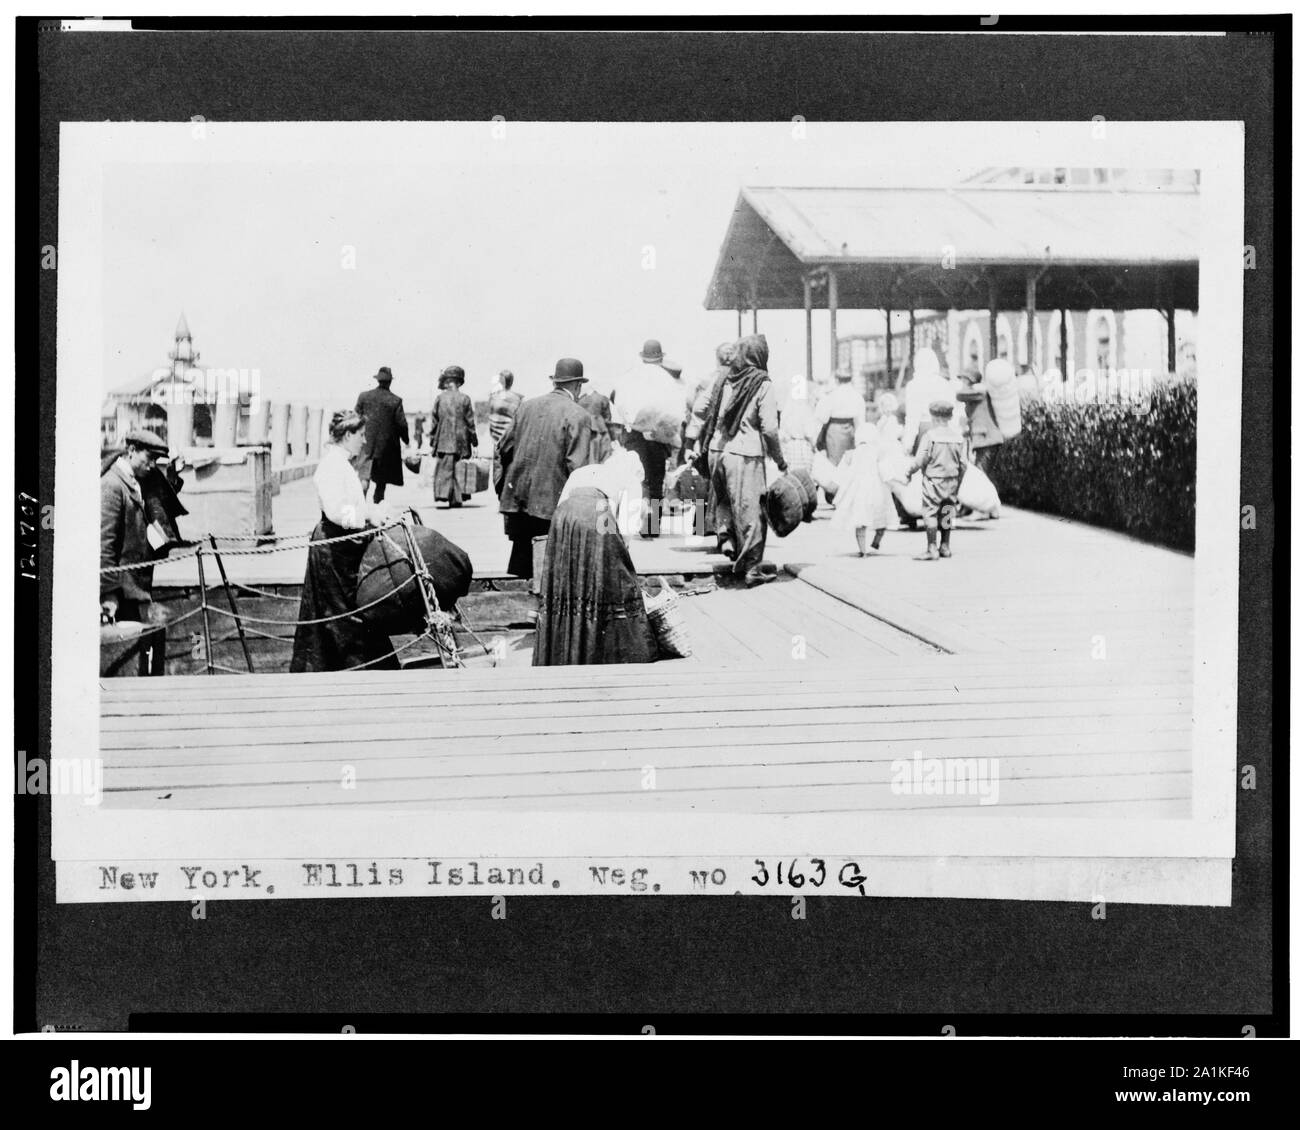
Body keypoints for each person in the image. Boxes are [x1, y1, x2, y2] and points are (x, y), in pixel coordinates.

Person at [290, 411, 399, 672]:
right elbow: (337, 511)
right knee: (340, 614)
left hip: (342, 548)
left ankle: (346, 667)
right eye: (361, 435)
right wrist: (369, 516)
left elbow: (350, 505)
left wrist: (372, 510)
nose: (364, 441)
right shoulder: (331, 466)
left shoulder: (341, 464)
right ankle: (357, 668)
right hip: (332, 549)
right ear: (348, 435)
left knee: (340, 613)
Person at [533, 461, 657, 666]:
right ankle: (601, 645)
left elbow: (561, 503)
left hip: (563, 517)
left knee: (568, 583)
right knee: (615, 578)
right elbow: (626, 532)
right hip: (596, 514)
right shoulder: (632, 481)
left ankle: (565, 643)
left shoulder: (585, 471)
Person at [495, 357, 598, 579]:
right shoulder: (578, 414)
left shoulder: (526, 407)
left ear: (555, 382)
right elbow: (578, 468)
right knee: (552, 574)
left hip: (519, 501)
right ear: (578, 385)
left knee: (522, 569)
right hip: (551, 506)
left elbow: (503, 447)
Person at [697, 333, 786, 586]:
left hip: (716, 449)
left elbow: (699, 408)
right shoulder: (762, 383)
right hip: (744, 453)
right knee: (752, 509)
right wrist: (780, 460)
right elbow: (769, 428)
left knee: (724, 499)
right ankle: (752, 567)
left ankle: (726, 540)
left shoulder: (723, 378)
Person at [609, 339, 691, 538]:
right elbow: (679, 406)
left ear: (642, 357)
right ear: (661, 357)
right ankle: (652, 526)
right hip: (659, 436)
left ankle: (637, 520)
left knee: (639, 480)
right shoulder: (668, 378)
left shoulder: (631, 375)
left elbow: (614, 398)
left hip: (635, 435)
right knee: (656, 480)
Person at [100, 429, 171, 625]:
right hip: (122, 593)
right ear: (131, 450)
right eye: (149, 458)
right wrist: (107, 593)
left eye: (156, 460)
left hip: (136, 587)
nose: (152, 465)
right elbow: (104, 544)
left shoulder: (136, 482)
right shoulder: (112, 485)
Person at [904, 400, 970, 561]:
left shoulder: (930, 437)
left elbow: (920, 460)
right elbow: (964, 464)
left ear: (933, 417)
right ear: (950, 417)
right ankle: (945, 546)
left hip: (933, 481)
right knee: (947, 511)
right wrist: (958, 479)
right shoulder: (958, 438)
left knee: (931, 512)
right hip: (952, 480)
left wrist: (909, 471)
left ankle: (931, 547)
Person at [830, 427, 894, 556]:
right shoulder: (879, 452)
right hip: (877, 490)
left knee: (860, 522)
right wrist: (892, 484)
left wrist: (838, 488)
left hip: (858, 491)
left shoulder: (851, 454)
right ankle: (876, 541)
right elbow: (887, 473)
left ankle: (862, 550)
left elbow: (840, 475)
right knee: (882, 518)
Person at [355, 366, 409, 503]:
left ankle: (361, 503)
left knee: (364, 476)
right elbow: (401, 424)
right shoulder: (395, 400)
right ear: (390, 382)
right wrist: (406, 440)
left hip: (366, 443)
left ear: (378, 381)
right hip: (386, 447)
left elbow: (356, 417)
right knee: (381, 481)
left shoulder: (364, 396)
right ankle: (377, 503)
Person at [431, 365, 478, 508]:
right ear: (459, 382)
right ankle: (456, 498)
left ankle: (445, 495)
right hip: (461, 441)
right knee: (459, 470)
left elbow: (434, 422)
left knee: (445, 469)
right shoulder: (465, 399)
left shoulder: (440, 398)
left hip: (444, 441)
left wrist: (433, 441)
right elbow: (470, 422)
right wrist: (474, 440)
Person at [812, 367, 867, 473]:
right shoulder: (857, 396)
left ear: (837, 380)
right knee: (849, 463)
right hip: (852, 428)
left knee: (834, 464)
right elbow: (861, 420)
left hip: (835, 430)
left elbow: (822, 417)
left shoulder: (832, 395)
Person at [902, 347, 957, 454]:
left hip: (924, 431)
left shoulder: (914, 385)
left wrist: (908, 443)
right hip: (945, 430)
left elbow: (912, 418)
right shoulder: (945, 384)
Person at [577, 385, 614, 463]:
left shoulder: (581, 399)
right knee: (604, 453)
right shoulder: (602, 398)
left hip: (584, 429)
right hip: (600, 428)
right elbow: (608, 417)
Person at [487, 370, 523, 449]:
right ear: (511, 382)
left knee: (497, 457)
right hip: (510, 437)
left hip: (496, 435)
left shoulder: (493, 396)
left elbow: (489, 416)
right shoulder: (518, 399)